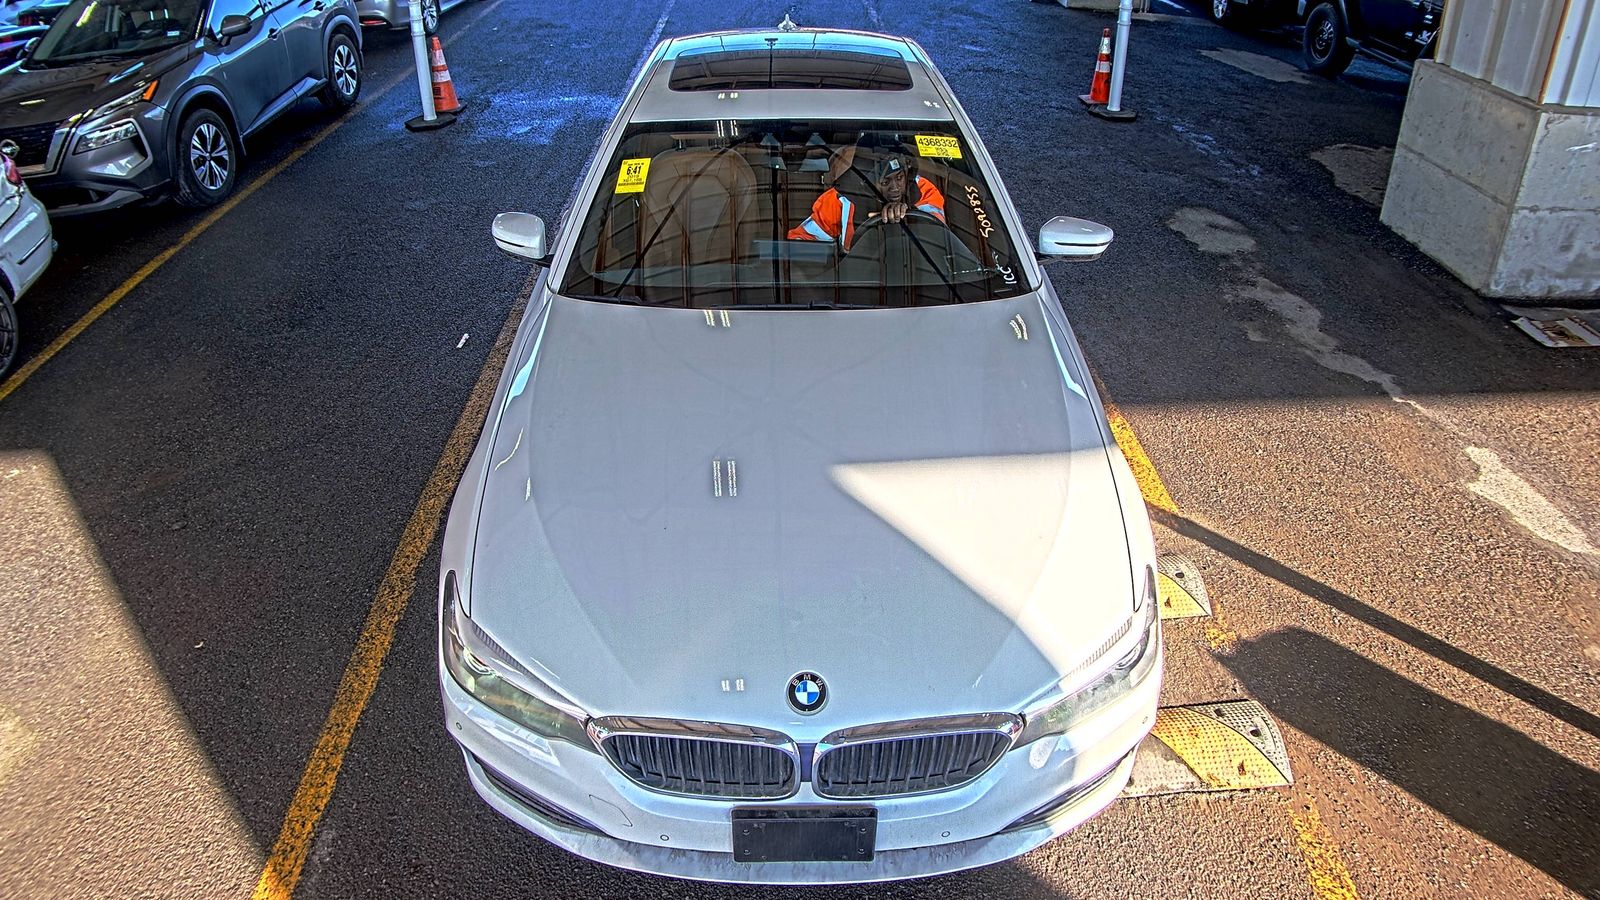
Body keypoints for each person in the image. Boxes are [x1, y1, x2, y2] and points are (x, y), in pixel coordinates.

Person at [787, 143, 946, 251]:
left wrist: (909, 214)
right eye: (885, 181)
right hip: (856, 278)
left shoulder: (924, 189)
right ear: (865, 182)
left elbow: (940, 235)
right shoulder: (839, 200)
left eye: (899, 178)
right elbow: (801, 244)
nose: (895, 188)